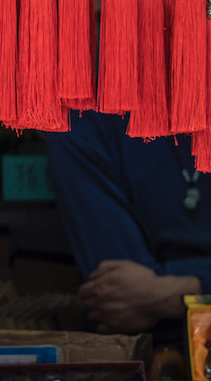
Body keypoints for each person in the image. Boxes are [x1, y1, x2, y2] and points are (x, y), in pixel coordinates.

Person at [47, 111, 211, 335]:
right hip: (153, 352)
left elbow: (145, 298)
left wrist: (172, 293)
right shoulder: (82, 131)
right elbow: (123, 297)